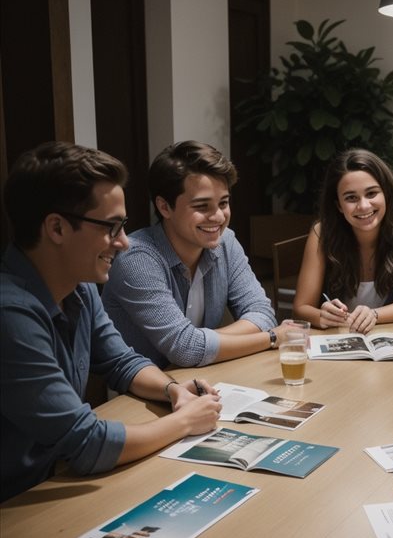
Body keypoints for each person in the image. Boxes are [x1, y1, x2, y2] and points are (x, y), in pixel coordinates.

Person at [0, 142, 222, 499]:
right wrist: (183, 422)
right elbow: (87, 443)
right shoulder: (10, 315)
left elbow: (122, 361)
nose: (124, 243)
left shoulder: (79, 288)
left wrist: (173, 391)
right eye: (112, 227)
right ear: (56, 228)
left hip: (47, 482)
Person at [102, 140, 290, 369]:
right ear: (164, 207)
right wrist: (271, 338)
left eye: (223, 203)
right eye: (202, 207)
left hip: (205, 379)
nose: (219, 217)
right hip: (141, 394)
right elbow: (185, 350)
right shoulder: (136, 258)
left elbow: (262, 314)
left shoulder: (225, 242)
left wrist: (200, 343)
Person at [293, 148, 393, 334]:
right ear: (338, 205)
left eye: (371, 193)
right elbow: (301, 307)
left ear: (386, 194)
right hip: (341, 342)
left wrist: (373, 314)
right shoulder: (322, 232)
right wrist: (320, 316)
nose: (363, 205)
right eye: (351, 198)